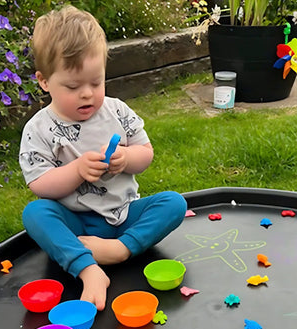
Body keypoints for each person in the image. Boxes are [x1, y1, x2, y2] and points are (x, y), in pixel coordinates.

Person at [19, 6, 187, 311]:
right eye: (73, 86)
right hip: (77, 224)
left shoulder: (117, 111)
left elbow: (145, 153)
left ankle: (121, 249)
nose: (87, 94)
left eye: (96, 83)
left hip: (124, 214)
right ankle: (88, 269)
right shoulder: (39, 129)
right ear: (44, 81)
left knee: (174, 203)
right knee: (35, 214)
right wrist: (78, 170)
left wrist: (125, 158)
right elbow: (40, 184)